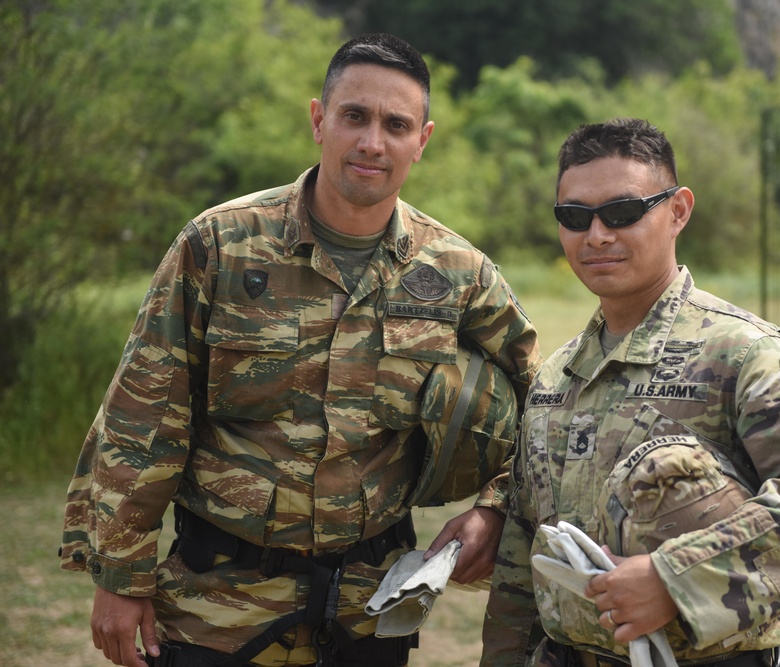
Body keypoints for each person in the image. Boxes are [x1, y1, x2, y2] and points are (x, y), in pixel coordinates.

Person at [59, 33, 541, 667]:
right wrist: (119, 576)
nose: (373, 141)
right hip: (217, 606)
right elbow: (143, 414)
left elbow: (547, 403)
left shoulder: (458, 273)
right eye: (354, 116)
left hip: (369, 611)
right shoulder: (221, 245)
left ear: (422, 141)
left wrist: (492, 510)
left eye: (396, 124)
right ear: (320, 120)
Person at [481, 117, 780, 667]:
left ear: (678, 210)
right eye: (574, 217)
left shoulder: (743, 353)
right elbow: (526, 551)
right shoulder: (557, 376)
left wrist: (675, 579)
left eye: (622, 212)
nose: (596, 235)